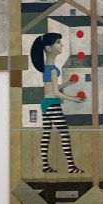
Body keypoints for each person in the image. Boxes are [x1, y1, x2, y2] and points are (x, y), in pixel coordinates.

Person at [30, 33, 85, 174]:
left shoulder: (47, 68)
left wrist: (67, 83)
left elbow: (50, 89)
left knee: (46, 134)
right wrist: (74, 99)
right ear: (49, 48)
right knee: (64, 134)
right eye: (58, 42)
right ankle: (71, 167)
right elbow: (55, 92)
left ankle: (45, 166)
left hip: (45, 104)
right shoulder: (52, 69)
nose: (62, 45)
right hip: (53, 104)